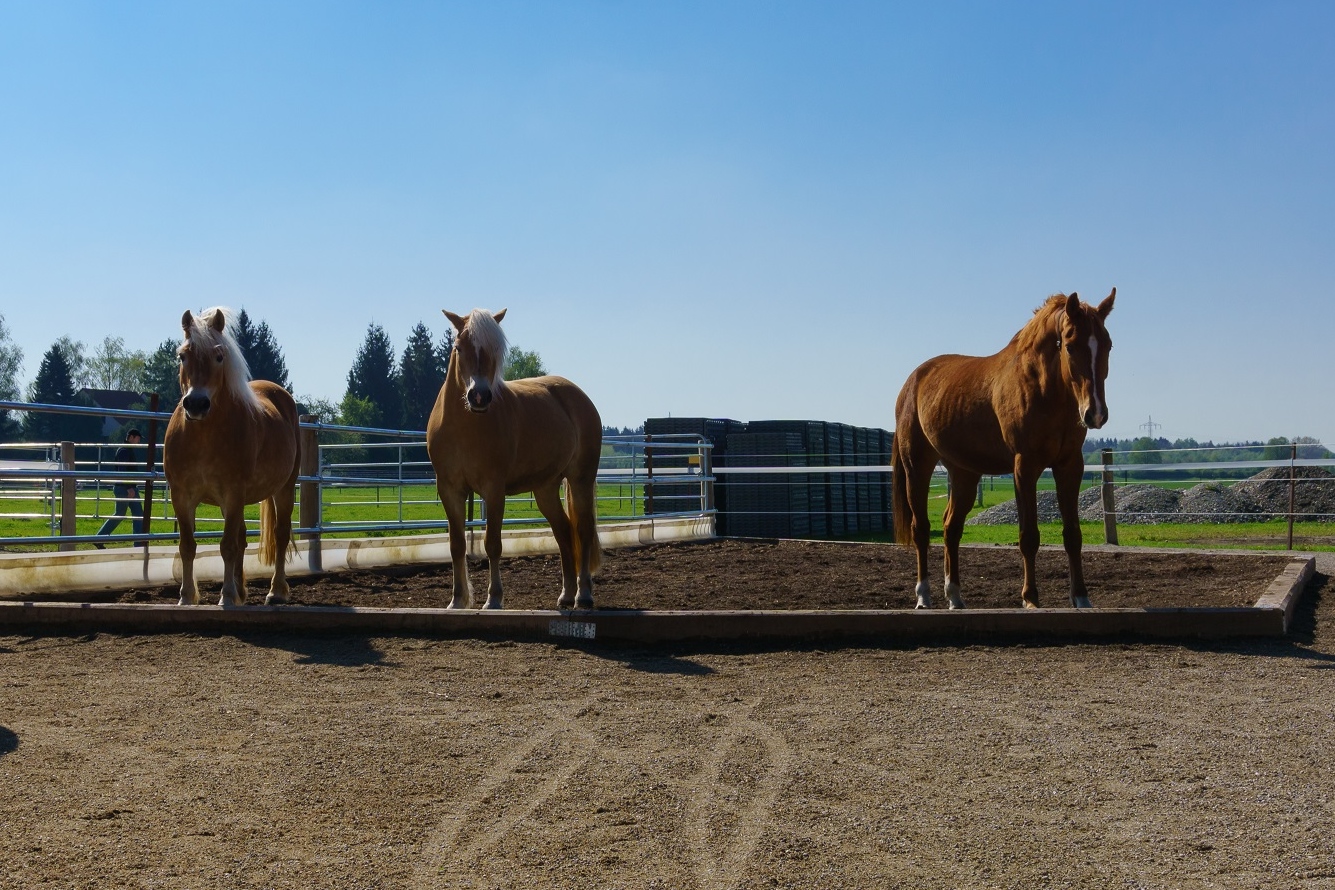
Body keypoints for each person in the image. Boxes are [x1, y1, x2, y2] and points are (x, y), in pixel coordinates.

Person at [94, 428, 144, 548]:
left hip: (128, 488)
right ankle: (99, 538)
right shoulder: (124, 450)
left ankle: (138, 543)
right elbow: (122, 470)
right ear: (131, 437)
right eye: (138, 438)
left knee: (136, 514)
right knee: (124, 514)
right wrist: (129, 487)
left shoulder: (125, 450)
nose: (139, 441)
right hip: (126, 488)